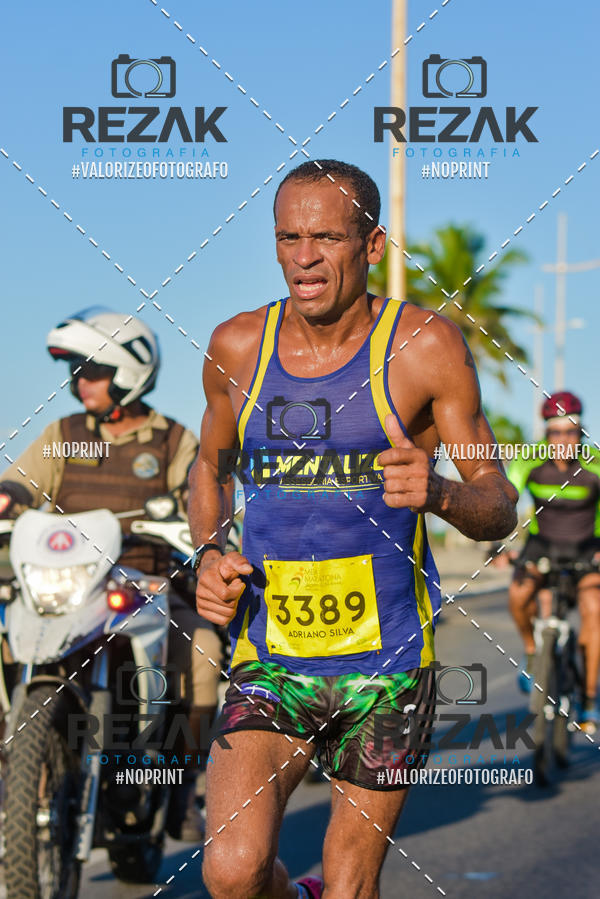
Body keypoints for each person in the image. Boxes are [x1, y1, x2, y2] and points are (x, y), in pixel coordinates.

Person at [188, 159, 518, 899]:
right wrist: (209, 551)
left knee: (349, 886)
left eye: (326, 239)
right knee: (232, 871)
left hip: (388, 667)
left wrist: (438, 492)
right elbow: (208, 469)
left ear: (371, 246)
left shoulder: (426, 350)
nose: (304, 258)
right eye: (288, 238)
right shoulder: (238, 348)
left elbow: (499, 502)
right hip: (271, 657)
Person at [0, 307, 222, 840]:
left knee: (206, 653)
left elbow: (203, 501)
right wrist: (6, 498)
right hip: (67, 582)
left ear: (129, 373)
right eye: (76, 369)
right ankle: (17, 761)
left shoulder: (173, 441)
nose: (80, 381)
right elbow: (21, 485)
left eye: (91, 369)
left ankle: (184, 784)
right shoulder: (64, 433)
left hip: (145, 584)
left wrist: (193, 521)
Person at [508, 391, 600, 730]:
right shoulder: (529, 460)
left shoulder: (595, 464)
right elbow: (506, 499)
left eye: (571, 431)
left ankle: (589, 701)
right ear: (546, 434)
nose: (564, 439)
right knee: (518, 595)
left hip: (588, 549)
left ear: (581, 433)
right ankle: (533, 655)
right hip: (541, 547)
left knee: (594, 610)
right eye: (556, 431)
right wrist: (498, 545)